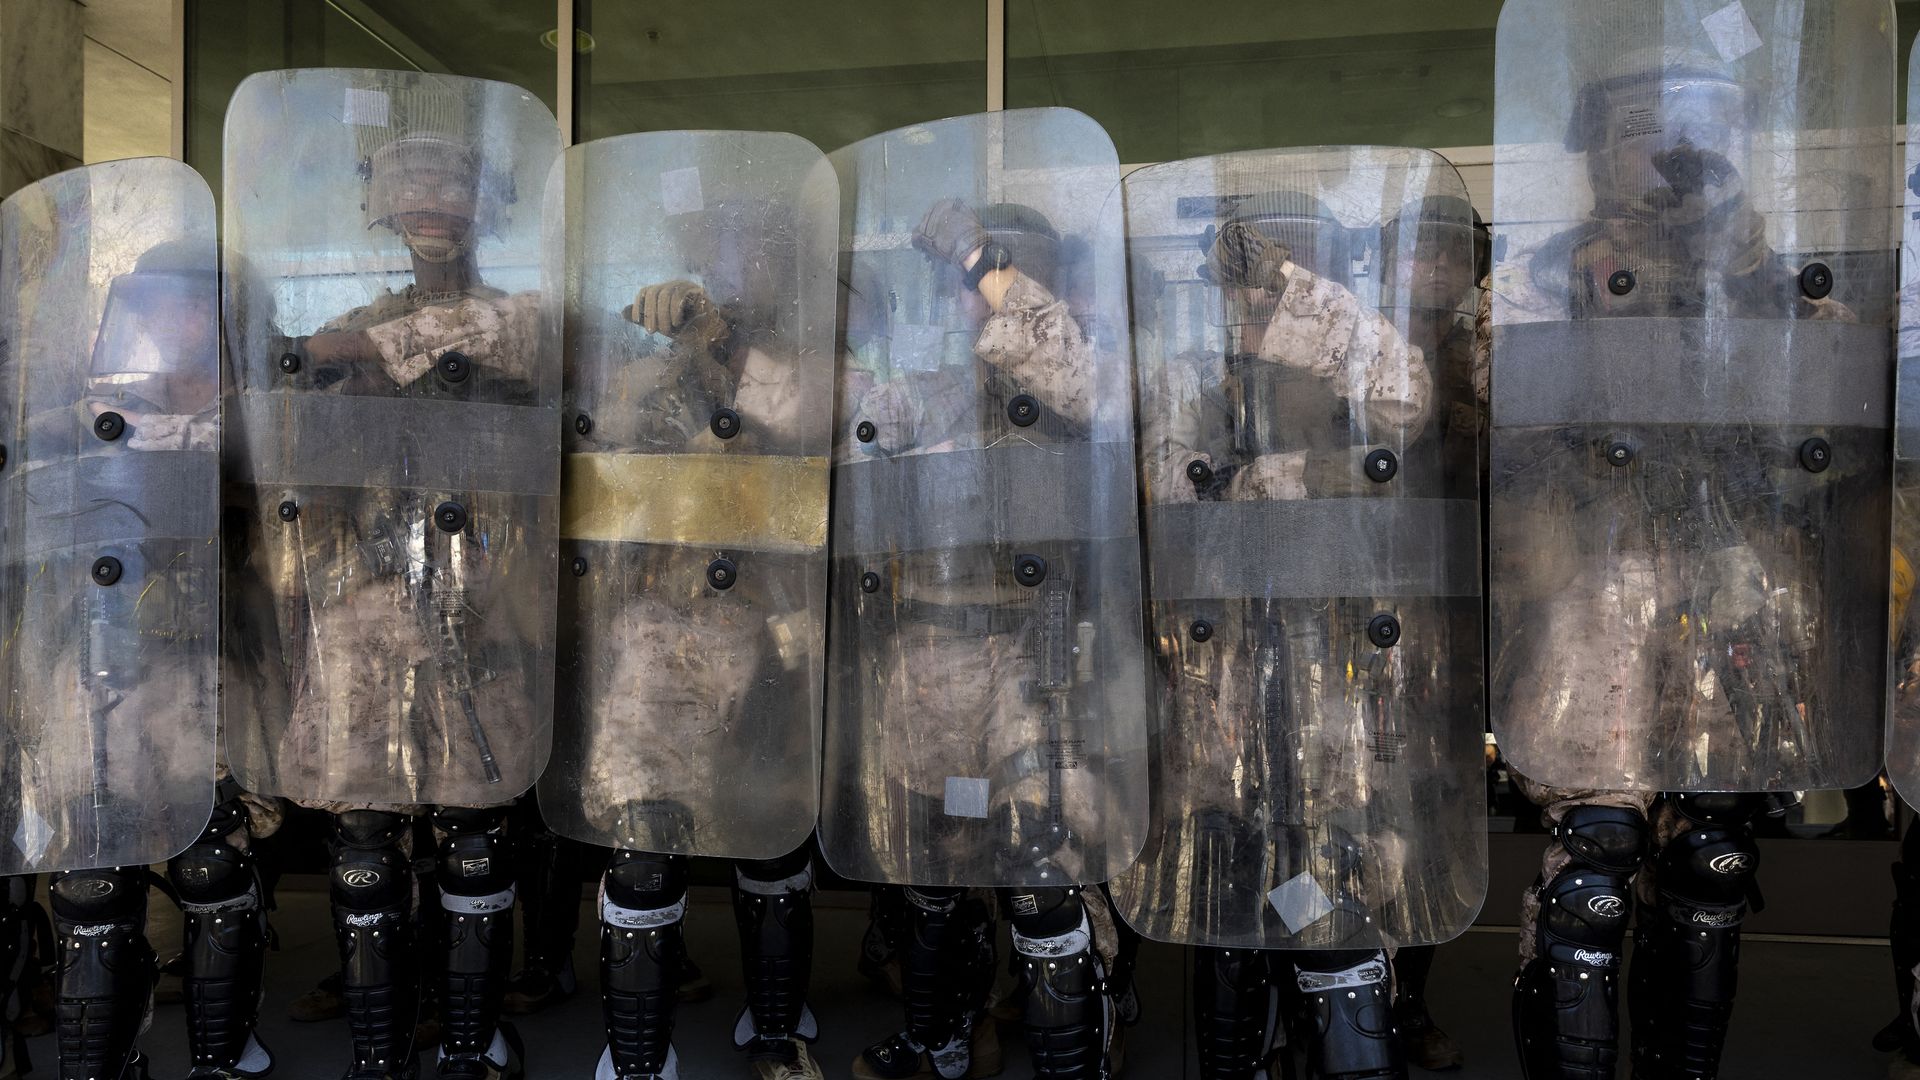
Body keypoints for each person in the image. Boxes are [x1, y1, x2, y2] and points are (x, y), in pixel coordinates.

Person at [1488, 14, 1895, 1077]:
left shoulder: (1787, 296)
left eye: (1708, 123)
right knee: (1594, 872)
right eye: (1637, 128)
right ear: (1593, 151)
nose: (1674, 146)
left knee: (1712, 864)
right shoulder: (1542, 287)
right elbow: (1465, 419)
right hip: (1592, 604)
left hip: (1733, 610)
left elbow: (1838, 452)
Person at [221, 69, 562, 1080]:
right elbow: (304, 459)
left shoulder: (519, 318)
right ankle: (386, 1011)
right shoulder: (358, 322)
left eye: (449, 188)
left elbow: (508, 342)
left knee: (472, 833)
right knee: (367, 835)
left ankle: (467, 1030)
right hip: (368, 603)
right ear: (380, 205)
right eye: (409, 188)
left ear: (484, 206)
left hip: (484, 601)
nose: (429, 208)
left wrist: (363, 350)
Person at [1114, 159, 1484, 1080]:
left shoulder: (1359, 360)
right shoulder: (1195, 373)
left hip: (1338, 679)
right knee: (1233, 894)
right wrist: (1297, 479)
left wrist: (1295, 292)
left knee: (1337, 883)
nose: (1249, 304)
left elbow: (1404, 396)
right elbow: (1165, 483)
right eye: (1238, 285)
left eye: (1269, 281)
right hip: (1228, 670)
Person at [824, 108, 1148, 1080]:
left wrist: (981, 261)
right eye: (973, 283)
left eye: (1007, 275)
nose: (985, 301)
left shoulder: (1088, 376)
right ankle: (941, 1038)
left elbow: (1083, 383)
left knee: (1045, 869)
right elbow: (853, 422)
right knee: (939, 874)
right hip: (930, 661)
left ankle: (1071, 1054)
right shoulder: (933, 385)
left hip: (1042, 652)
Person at [540, 133, 835, 1080]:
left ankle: (778, 1030)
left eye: (750, 244)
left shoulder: (809, 348)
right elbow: (605, 446)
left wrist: (722, 338)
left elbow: (813, 416)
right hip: (659, 632)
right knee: (643, 837)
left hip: (775, 629)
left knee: (770, 836)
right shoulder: (656, 360)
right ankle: (638, 1057)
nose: (728, 262)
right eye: (715, 246)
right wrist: (658, 354)